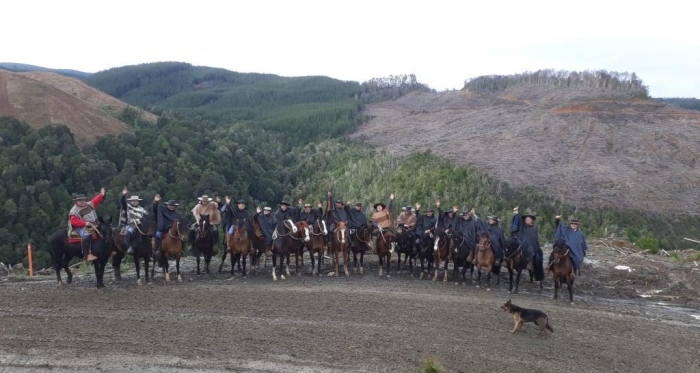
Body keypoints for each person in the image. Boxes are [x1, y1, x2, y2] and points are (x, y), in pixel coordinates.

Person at [69, 188, 106, 262]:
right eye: (80, 200)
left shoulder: (89, 204)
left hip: (93, 224)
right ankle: (87, 254)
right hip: (80, 227)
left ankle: (107, 249)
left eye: (83, 200)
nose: (82, 202)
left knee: (105, 230)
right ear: (77, 201)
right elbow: (73, 221)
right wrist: (85, 223)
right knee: (86, 235)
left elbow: (95, 200)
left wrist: (101, 195)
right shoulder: (74, 211)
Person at [120, 187, 149, 255]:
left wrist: (142, 220)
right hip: (131, 224)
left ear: (138, 201)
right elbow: (122, 202)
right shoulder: (128, 206)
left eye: (136, 201)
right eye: (133, 201)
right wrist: (123, 195)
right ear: (131, 201)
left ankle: (149, 250)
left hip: (140, 225)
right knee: (128, 233)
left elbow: (147, 216)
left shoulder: (142, 209)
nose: (135, 202)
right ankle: (129, 247)